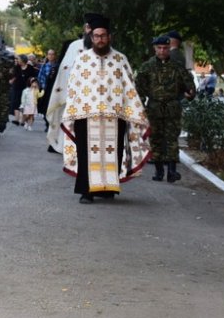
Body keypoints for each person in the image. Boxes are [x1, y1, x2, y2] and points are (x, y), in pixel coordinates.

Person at [61, 16, 149, 203]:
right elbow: (73, 88)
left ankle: (107, 188)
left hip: (114, 115)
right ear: (91, 38)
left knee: (112, 152)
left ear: (110, 37)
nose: (100, 39)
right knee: (86, 153)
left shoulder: (120, 60)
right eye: (96, 36)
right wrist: (72, 111)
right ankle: (86, 191)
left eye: (103, 36)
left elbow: (129, 88)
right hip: (86, 114)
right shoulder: (82, 60)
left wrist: (135, 112)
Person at [136, 35, 196, 182]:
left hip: (172, 107)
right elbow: (139, 89)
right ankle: (158, 171)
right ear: (154, 49)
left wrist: (190, 93)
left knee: (171, 139)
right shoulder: (147, 67)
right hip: (154, 107)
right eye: (159, 48)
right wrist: (140, 105)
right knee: (155, 138)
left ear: (169, 48)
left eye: (165, 48)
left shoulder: (177, 67)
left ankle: (172, 171)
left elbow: (189, 85)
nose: (162, 51)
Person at [45, 15, 97, 154]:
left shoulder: (105, 48)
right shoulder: (75, 46)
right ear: (86, 29)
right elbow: (65, 69)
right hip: (74, 93)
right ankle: (66, 147)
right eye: (91, 29)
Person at [36, 49, 59, 131]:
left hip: (55, 90)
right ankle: (47, 123)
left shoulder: (58, 66)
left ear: (55, 55)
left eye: (52, 54)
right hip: (46, 90)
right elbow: (40, 77)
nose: (51, 56)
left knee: (54, 107)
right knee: (45, 107)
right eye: (49, 54)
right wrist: (41, 87)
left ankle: (52, 124)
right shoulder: (44, 66)